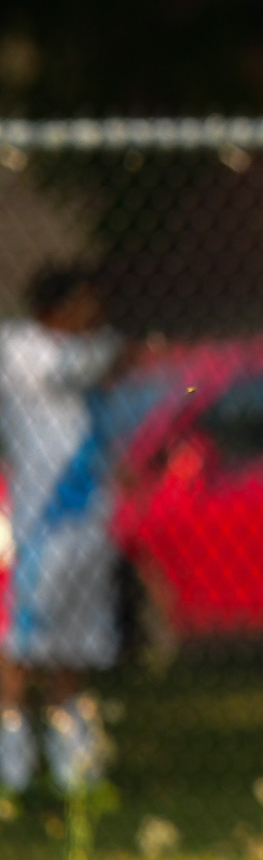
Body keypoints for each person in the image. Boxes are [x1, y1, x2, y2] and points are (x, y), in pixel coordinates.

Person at [0, 266, 128, 796]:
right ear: (51, 307)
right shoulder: (20, 348)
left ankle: (75, 767)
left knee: (77, 643)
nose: (91, 315)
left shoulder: (86, 353)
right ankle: (12, 762)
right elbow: (80, 367)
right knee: (19, 644)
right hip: (39, 526)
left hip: (87, 522)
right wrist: (123, 353)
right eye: (80, 304)